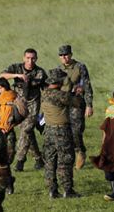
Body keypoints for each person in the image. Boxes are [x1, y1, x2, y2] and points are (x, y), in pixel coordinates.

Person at [0, 48, 47, 172]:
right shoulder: (16, 68)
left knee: (26, 130)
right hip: (19, 106)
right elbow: (2, 75)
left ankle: (20, 160)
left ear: (36, 59)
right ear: (23, 58)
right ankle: (38, 159)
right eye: (27, 58)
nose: (30, 61)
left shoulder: (40, 72)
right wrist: (17, 75)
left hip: (33, 107)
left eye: (32, 58)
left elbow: (47, 89)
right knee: (29, 133)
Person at [41, 68, 80, 199]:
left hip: (48, 130)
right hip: (61, 131)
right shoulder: (61, 95)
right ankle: (67, 190)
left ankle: (52, 190)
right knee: (65, 160)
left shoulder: (44, 93)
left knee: (50, 161)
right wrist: (77, 93)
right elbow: (77, 103)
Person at [56, 44, 93, 170]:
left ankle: (80, 151)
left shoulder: (80, 67)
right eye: (61, 55)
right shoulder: (58, 69)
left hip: (76, 102)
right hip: (63, 104)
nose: (64, 57)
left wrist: (89, 105)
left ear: (71, 55)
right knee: (64, 131)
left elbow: (87, 86)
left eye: (66, 55)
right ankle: (68, 157)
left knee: (76, 131)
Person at [0, 78, 19, 194]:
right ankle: (7, 183)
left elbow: (17, 114)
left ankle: (7, 180)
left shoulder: (9, 100)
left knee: (8, 158)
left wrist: (10, 126)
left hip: (8, 133)